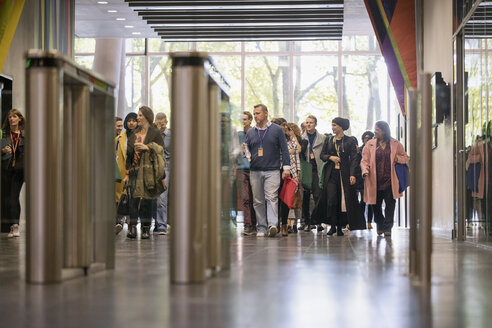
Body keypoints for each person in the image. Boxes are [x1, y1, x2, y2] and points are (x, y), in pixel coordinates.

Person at [244, 104, 290, 237]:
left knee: (271, 198)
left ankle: (272, 225)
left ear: (265, 114)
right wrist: (244, 152)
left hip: (273, 170)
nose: (255, 116)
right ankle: (261, 228)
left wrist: (286, 167)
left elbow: (284, 149)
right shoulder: (251, 132)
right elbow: (247, 151)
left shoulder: (276, 130)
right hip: (255, 171)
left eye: (258, 113)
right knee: (258, 201)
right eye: (254, 113)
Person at [122, 106, 166, 239]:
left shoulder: (155, 133)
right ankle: (132, 227)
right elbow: (129, 156)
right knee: (133, 200)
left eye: (140, 115)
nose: (138, 118)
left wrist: (148, 147)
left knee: (148, 200)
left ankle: (146, 228)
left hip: (149, 172)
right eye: (138, 115)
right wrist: (127, 174)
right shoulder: (134, 133)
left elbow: (161, 151)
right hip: (135, 170)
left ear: (147, 117)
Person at [317, 117, 366, 236]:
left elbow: (355, 159)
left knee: (343, 201)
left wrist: (353, 174)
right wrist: (330, 157)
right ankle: (332, 225)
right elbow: (322, 155)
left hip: (345, 174)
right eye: (332, 125)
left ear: (341, 126)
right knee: (331, 200)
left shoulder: (350, 140)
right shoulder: (329, 140)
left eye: (334, 125)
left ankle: (340, 227)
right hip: (331, 175)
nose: (332, 127)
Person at [361, 121, 409, 236]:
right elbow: (364, 160)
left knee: (390, 205)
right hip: (374, 180)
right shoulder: (370, 144)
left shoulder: (395, 144)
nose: (374, 131)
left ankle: (388, 228)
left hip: (390, 180)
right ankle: (380, 223)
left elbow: (405, 157)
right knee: (375, 205)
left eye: (377, 129)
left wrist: (398, 158)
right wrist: (365, 171)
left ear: (383, 131)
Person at [1, 109, 25, 237]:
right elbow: (1, 149)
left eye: (14, 117)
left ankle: (15, 226)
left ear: (19, 119)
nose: (11, 119)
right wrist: (3, 150)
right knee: (7, 199)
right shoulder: (4, 134)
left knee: (13, 197)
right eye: (10, 117)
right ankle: (12, 226)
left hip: (20, 171)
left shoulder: (25, 134)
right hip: (6, 169)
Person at [115, 112, 138, 235]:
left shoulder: (141, 136)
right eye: (129, 120)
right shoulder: (119, 139)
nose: (132, 123)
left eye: (134, 120)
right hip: (122, 173)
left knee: (134, 199)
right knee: (123, 198)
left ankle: (132, 226)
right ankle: (120, 223)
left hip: (136, 172)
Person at [301, 115, 325, 232]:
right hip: (305, 170)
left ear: (315, 124)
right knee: (305, 197)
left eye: (311, 122)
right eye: (307, 122)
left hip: (316, 169)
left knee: (317, 196)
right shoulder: (301, 138)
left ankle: (319, 221)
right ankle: (307, 222)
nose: (308, 124)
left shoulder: (322, 138)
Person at [238, 111, 257, 236]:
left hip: (255, 168)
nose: (243, 122)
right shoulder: (238, 135)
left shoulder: (255, 132)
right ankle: (248, 225)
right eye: (241, 119)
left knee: (256, 198)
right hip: (242, 169)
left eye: (245, 119)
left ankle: (257, 223)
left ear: (250, 120)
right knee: (245, 198)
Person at [154, 112, 171, 235]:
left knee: (162, 196)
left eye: (163, 123)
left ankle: (161, 225)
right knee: (153, 197)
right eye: (158, 123)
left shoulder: (171, 135)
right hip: (152, 166)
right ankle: (157, 223)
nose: (161, 125)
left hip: (166, 167)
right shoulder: (153, 134)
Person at [287, 123, 302, 233]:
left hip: (294, 171)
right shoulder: (283, 140)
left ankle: (295, 223)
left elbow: (297, 154)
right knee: (287, 198)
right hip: (286, 171)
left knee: (296, 199)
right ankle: (287, 223)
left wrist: (298, 172)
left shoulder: (293, 140)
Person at [357, 131, 375, 229]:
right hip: (360, 178)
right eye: (365, 138)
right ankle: (361, 221)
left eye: (369, 138)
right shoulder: (358, 149)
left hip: (371, 177)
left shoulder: (375, 150)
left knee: (371, 201)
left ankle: (369, 221)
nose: (367, 140)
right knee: (363, 200)